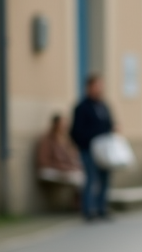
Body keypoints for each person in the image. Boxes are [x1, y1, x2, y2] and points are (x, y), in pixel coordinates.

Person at [69, 74, 114, 221]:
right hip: (88, 149)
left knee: (104, 179)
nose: (99, 89)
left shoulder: (103, 105)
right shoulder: (81, 107)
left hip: (104, 150)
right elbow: (75, 131)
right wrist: (86, 143)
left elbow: (109, 123)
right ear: (89, 87)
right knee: (90, 179)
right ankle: (88, 210)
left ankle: (101, 208)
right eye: (96, 86)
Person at [36, 113, 85, 189]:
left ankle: (79, 200)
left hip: (65, 169)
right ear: (56, 124)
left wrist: (72, 166)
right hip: (52, 170)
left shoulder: (67, 140)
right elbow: (43, 160)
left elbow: (73, 156)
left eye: (66, 124)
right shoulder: (47, 140)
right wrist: (62, 168)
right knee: (79, 179)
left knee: (83, 177)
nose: (65, 127)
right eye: (62, 124)